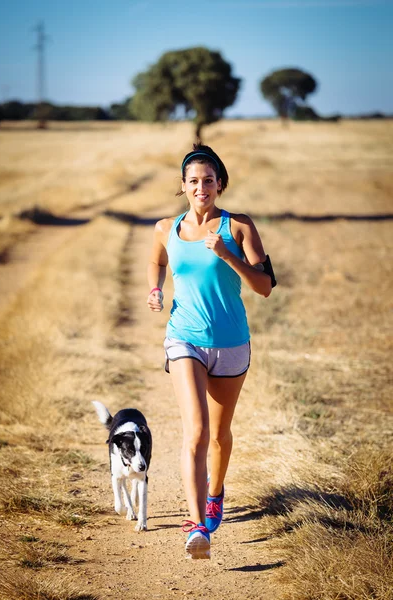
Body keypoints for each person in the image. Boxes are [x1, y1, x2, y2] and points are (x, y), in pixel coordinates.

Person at [147, 143, 276, 559]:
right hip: (184, 337)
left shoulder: (238, 226)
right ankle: (196, 524)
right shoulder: (166, 227)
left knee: (220, 436)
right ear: (183, 186)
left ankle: (216, 492)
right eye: (193, 181)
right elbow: (157, 261)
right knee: (197, 432)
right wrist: (155, 288)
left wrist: (227, 255)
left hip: (231, 343)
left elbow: (265, 286)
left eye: (208, 180)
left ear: (219, 184)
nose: (201, 187)